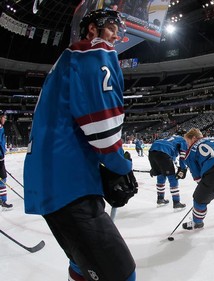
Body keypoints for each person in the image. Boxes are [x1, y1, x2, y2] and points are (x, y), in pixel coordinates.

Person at [23, 9, 137, 281]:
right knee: (121, 274)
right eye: (109, 27)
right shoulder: (92, 53)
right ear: (91, 30)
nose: (115, 35)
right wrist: (120, 165)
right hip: (69, 185)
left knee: (82, 265)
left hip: (51, 183)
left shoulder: (67, 60)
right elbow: (102, 127)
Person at [148, 130, 188, 210]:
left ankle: (160, 198)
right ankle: (176, 202)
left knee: (161, 175)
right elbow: (183, 156)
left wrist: (154, 168)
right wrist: (183, 168)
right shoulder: (183, 140)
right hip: (163, 153)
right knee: (173, 178)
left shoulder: (170, 138)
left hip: (152, 151)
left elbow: (170, 154)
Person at [0, 110, 12, 210]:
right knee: (2, 179)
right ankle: (3, 201)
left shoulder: (1, 128)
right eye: (3, 117)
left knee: (3, 179)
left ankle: (2, 200)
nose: (5, 119)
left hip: (1, 159)